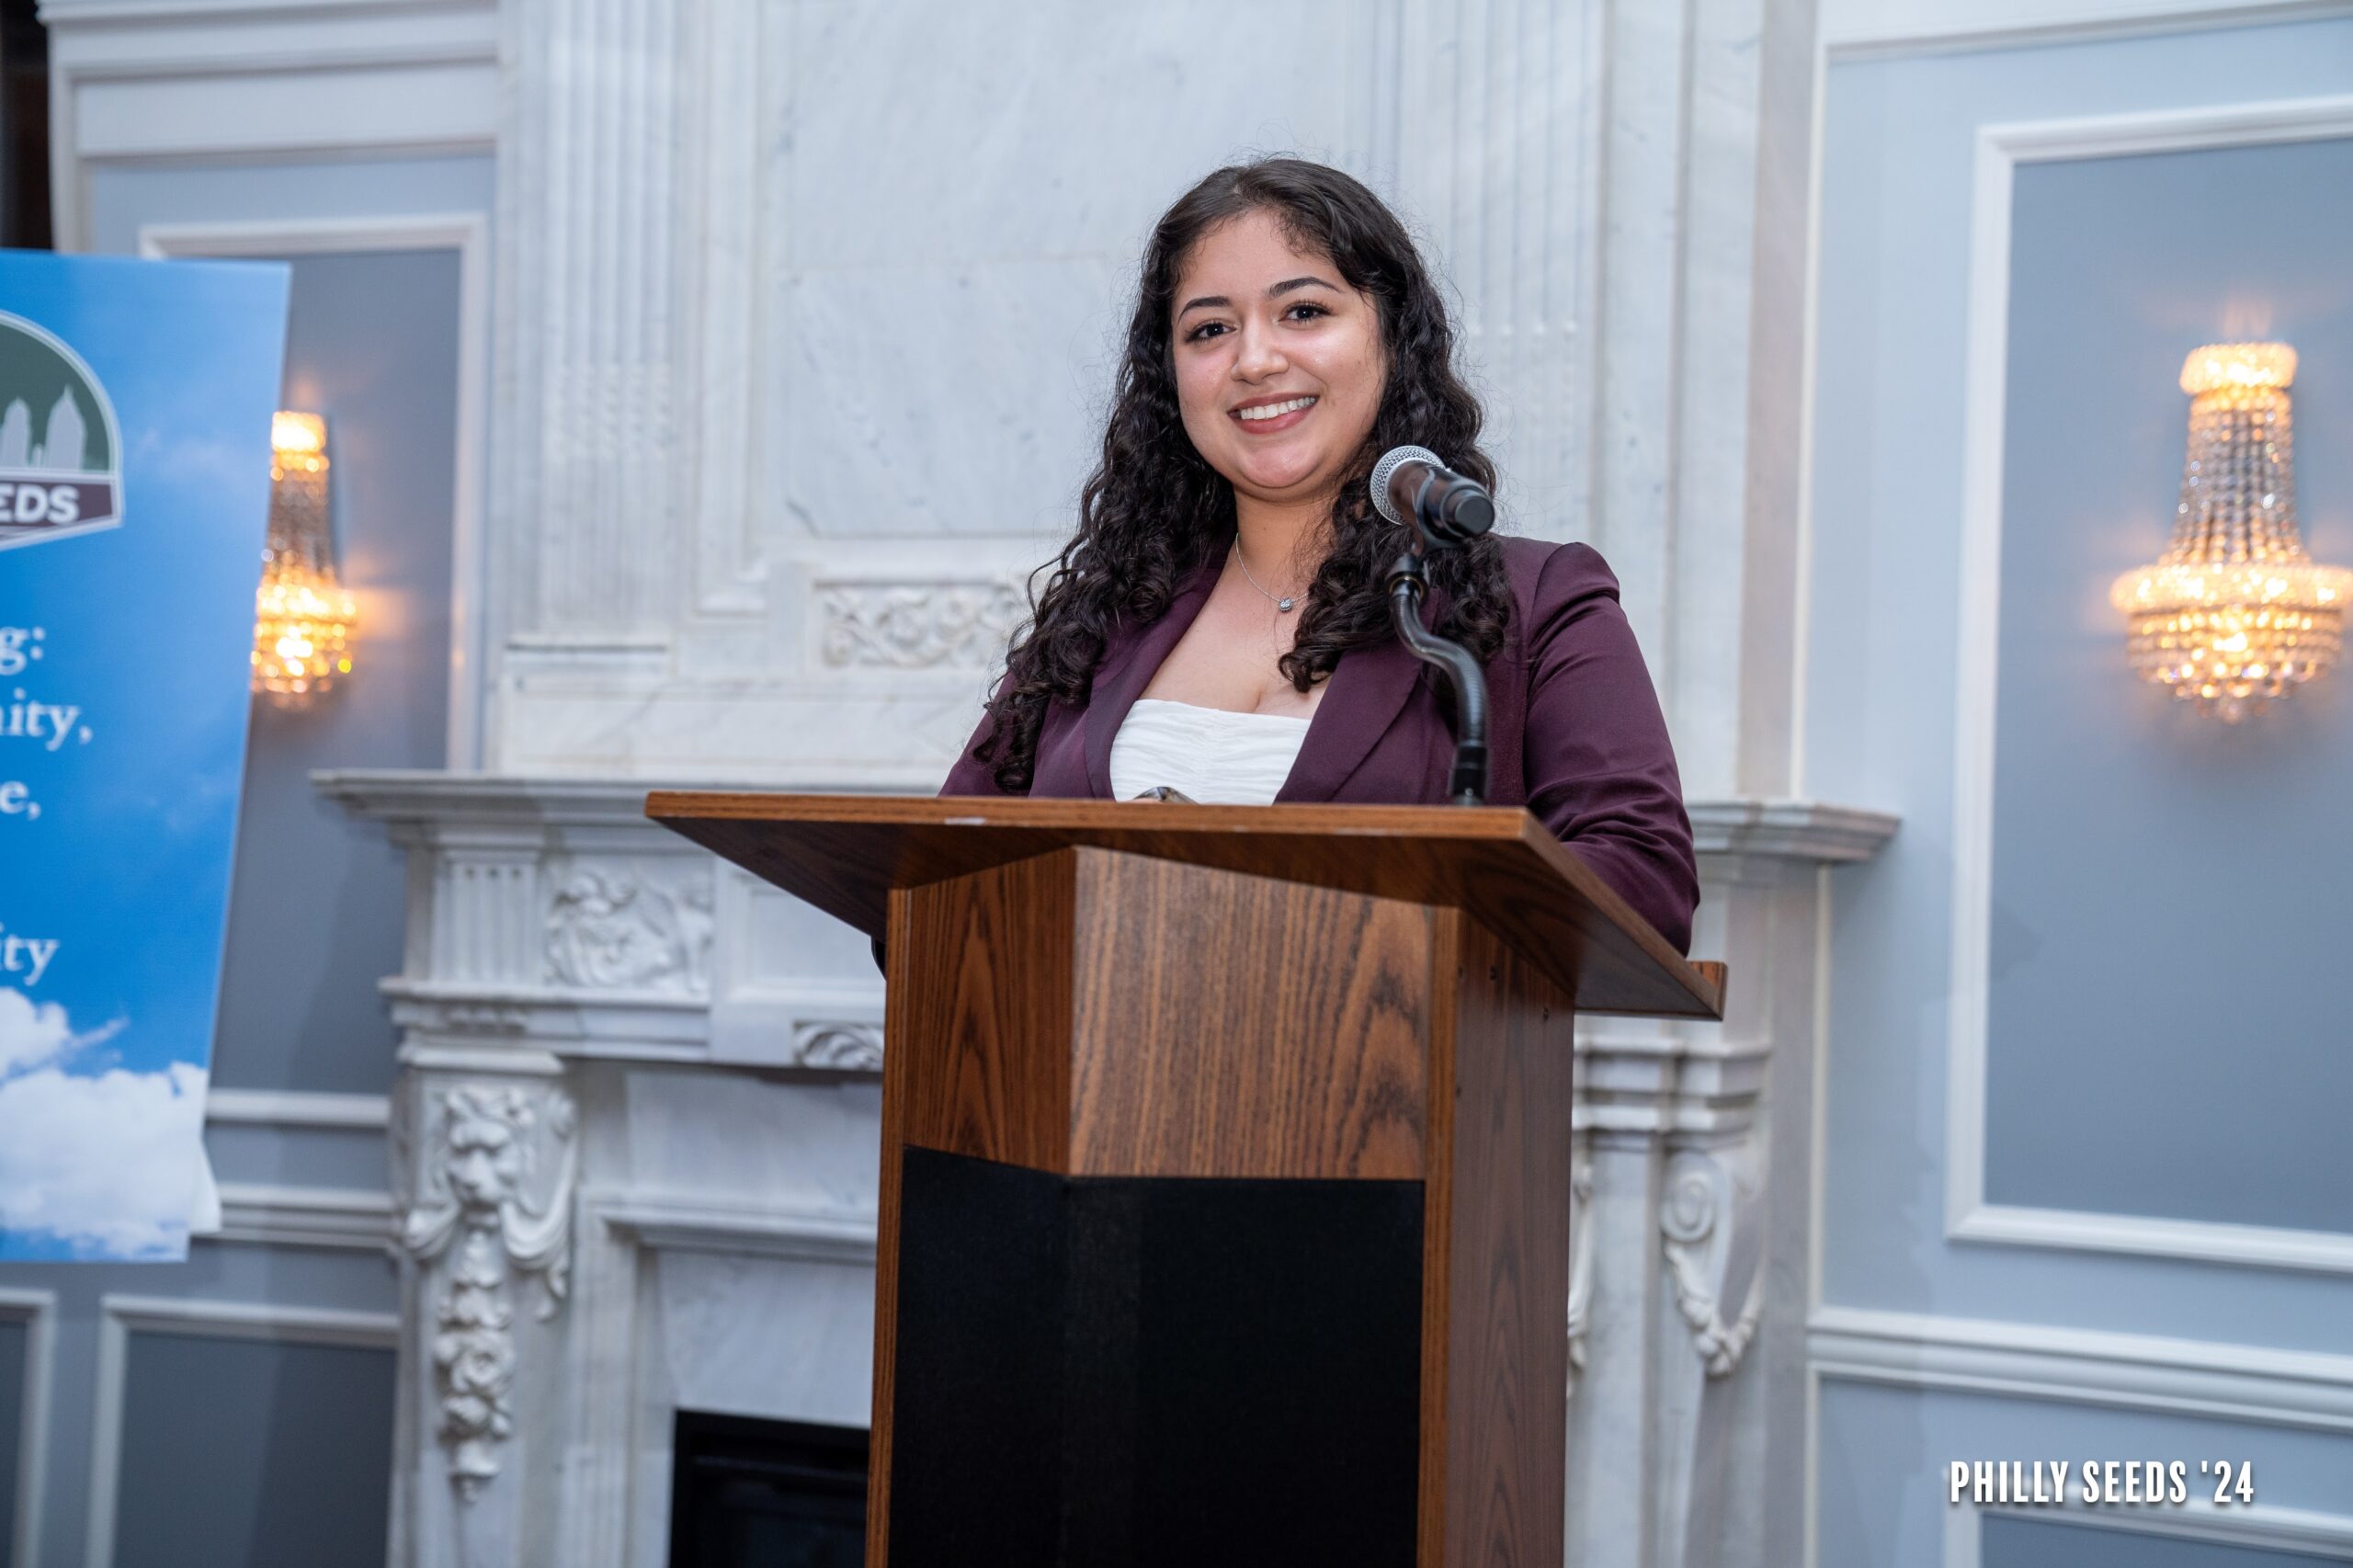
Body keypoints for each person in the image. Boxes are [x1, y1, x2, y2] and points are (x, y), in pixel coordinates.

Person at [939, 157, 1699, 954]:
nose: (1255, 359)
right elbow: (939, 878)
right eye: (1209, 328)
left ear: (1391, 335)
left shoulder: (1533, 603)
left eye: (1303, 311)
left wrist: (1279, 904)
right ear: (1172, 376)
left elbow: (1643, 882)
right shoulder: (1106, 612)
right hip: (1082, 1072)